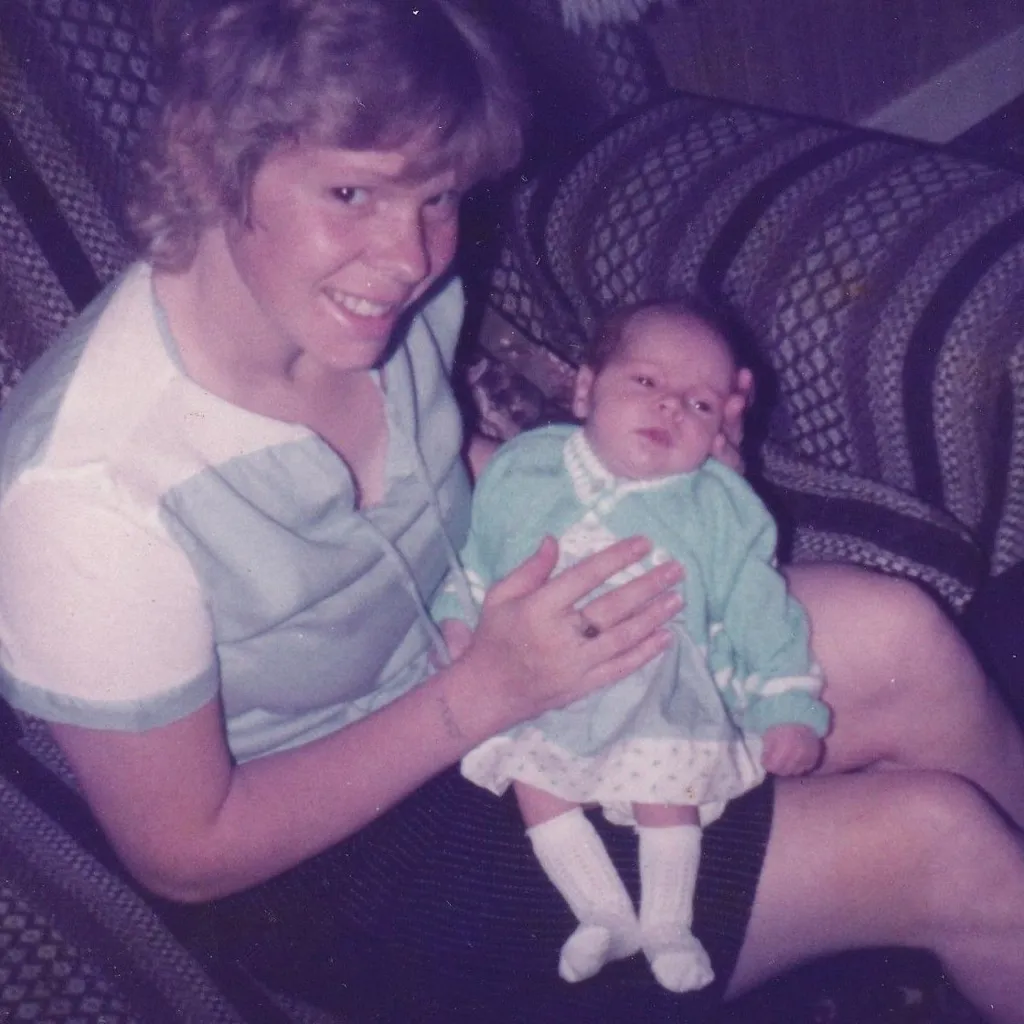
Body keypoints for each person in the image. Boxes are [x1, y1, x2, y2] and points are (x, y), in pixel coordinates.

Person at [0, 1, 1022, 1021]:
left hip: (497, 656)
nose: (407, 254)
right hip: (341, 860)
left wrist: (659, 484)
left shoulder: (371, 304)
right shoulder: (84, 498)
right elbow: (186, 855)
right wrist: (484, 691)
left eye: (437, 195)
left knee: (902, 632)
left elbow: (460, 471)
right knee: (941, 843)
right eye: (351, 190)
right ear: (211, 159)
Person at [434, 301, 830, 993]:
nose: (671, 409)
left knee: (667, 782)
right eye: (646, 384)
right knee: (536, 782)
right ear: (586, 389)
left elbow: (764, 611)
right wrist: (458, 621)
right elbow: (478, 556)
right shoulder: (526, 467)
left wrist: (788, 708)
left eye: (700, 404)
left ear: (718, 432)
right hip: (534, 674)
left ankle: (668, 925)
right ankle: (601, 913)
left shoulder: (723, 507)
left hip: (658, 673)